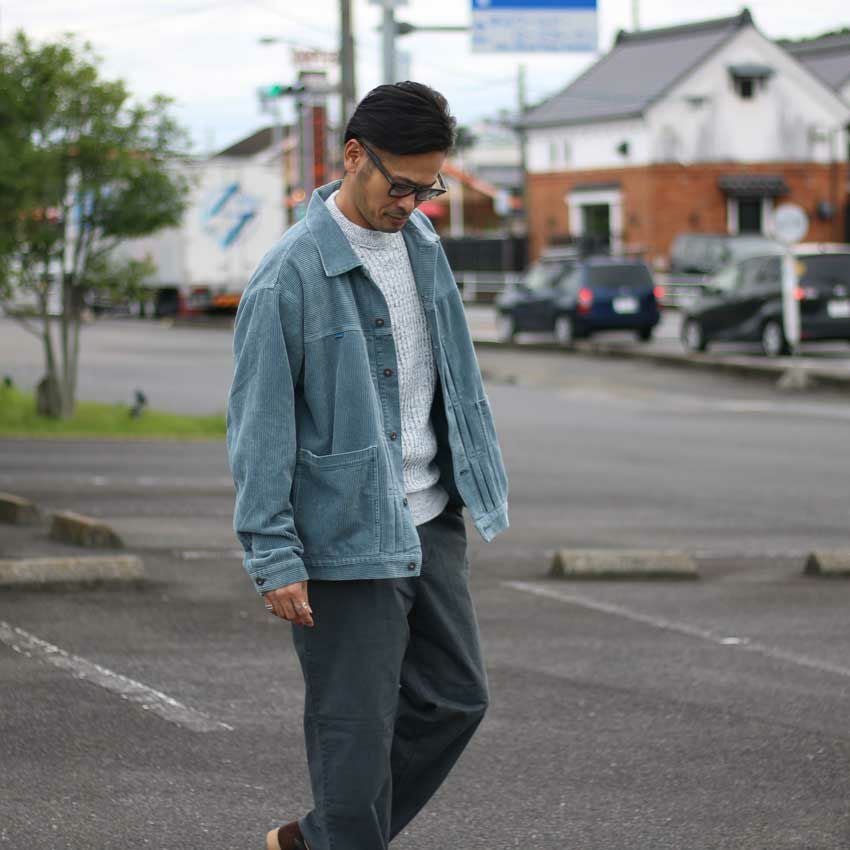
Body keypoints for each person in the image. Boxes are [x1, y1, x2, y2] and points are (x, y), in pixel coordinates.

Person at [226, 81, 509, 850]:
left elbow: (452, 376)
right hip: (345, 533)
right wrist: (273, 553)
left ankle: (322, 839)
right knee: (353, 743)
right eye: (402, 185)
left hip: (429, 517)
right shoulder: (288, 277)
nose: (412, 203)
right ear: (354, 156)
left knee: (456, 699)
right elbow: (259, 427)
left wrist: (476, 479)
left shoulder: (422, 248)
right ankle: (340, 832)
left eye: (429, 188)